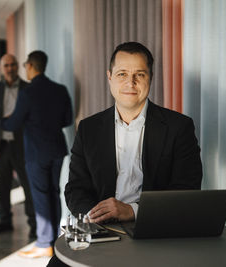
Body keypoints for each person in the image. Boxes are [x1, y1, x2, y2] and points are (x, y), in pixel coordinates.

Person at [48, 42, 202, 266]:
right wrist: (98, 217)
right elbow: (75, 188)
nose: (131, 82)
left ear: (150, 77)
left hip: (154, 231)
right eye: (122, 74)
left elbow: (187, 191)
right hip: (100, 229)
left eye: (139, 74)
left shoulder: (179, 127)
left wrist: (132, 211)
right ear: (109, 77)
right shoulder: (88, 128)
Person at [2, 50, 73, 258]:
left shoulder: (27, 93)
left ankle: (44, 243)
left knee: (41, 196)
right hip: (57, 150)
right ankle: (54, 242)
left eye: (25, 66)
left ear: (31, 66)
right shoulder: (60, 90)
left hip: (36, 152)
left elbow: (13, 124)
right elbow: (67, 120)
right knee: (54, 193)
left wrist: (3, 120)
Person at [0, 54, 36, 237]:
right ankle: (4, 221)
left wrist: (15, 119)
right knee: (2, 186)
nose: (10, 68)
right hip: (1, 143)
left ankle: (33, 224)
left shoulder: (28, 88)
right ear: (1, 68)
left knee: (27, 185)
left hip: (22, 143)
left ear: (18, 67)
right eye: (6, 65)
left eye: (13, 65)